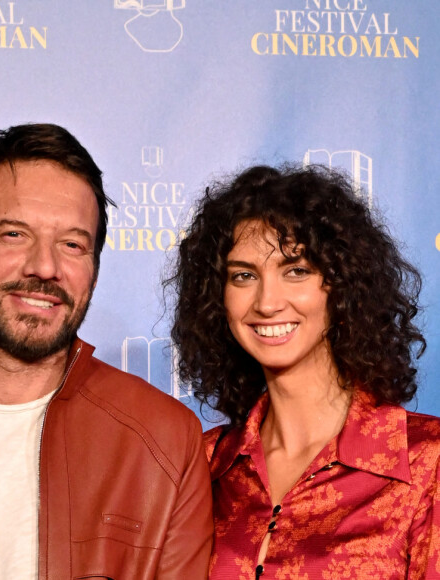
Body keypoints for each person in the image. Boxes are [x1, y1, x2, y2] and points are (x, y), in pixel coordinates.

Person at [0, 123, 213, 579]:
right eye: (14, 234)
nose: (45, 267)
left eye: (72, 244)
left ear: (95, 270)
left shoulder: (164, 442)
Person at [168, 164, 440, 578]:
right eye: (243, 276)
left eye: (296, 271)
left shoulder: (426, 462)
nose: (267, 301)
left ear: (342, 284)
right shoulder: (204, 463)